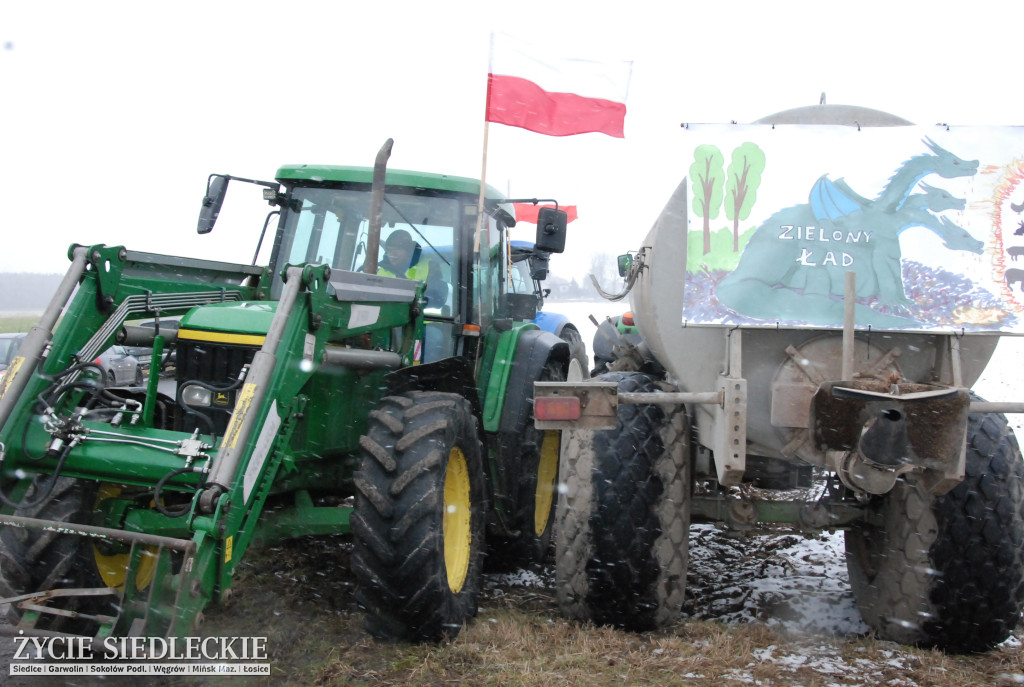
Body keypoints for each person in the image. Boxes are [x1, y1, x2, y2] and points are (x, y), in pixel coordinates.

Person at [377, 230, 447, 307]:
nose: (393, 254)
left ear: (409, 251)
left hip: (419, 316)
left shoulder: (430, 268)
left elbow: (439, 299)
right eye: (390, 250)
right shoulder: (380, 271)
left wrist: (418, 301)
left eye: (398, 249)